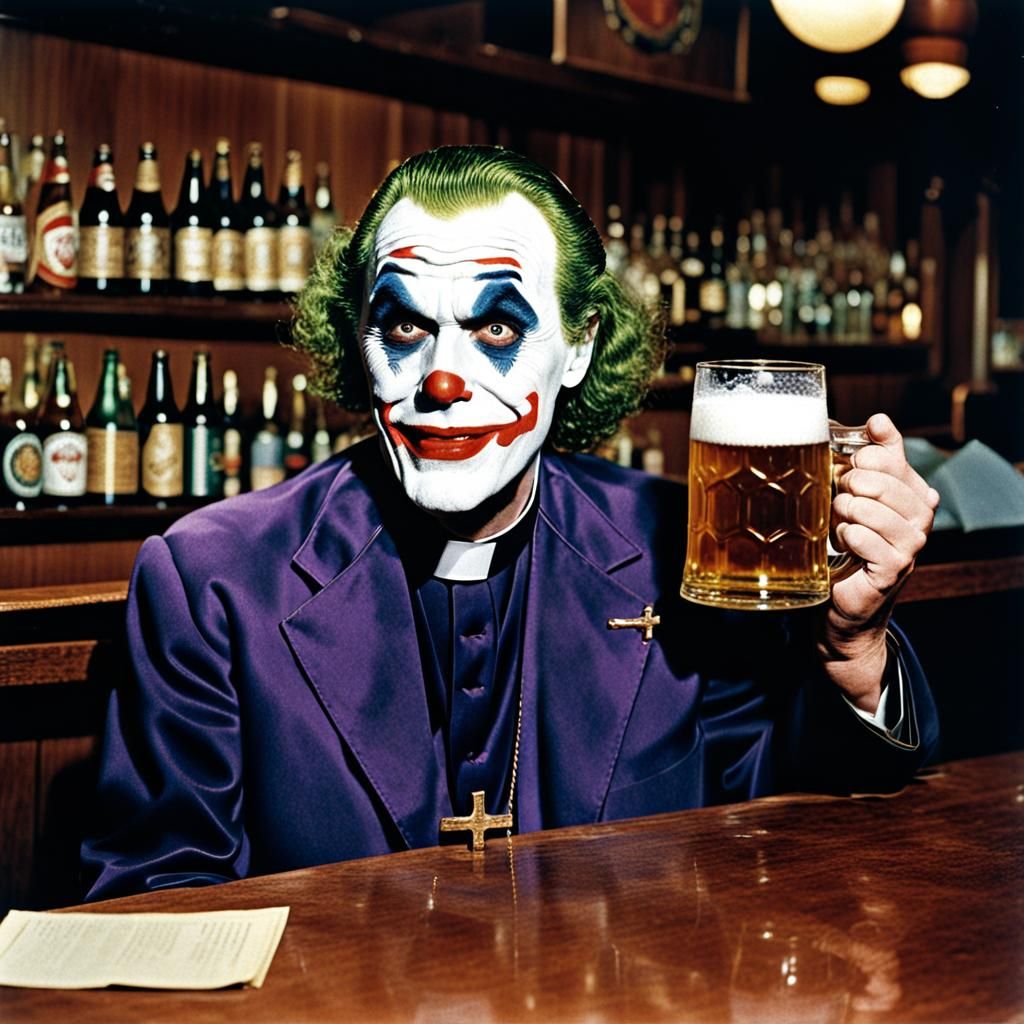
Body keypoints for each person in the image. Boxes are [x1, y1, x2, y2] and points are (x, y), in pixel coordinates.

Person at [82, 146, 939, 900]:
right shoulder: (211, 581)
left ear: (579, 346)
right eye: (404, 326)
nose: (442, 380)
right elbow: (156, 904)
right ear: (357, 340)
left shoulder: (684, 549)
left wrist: (852, 652)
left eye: (496, 327)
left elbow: (788, 829)